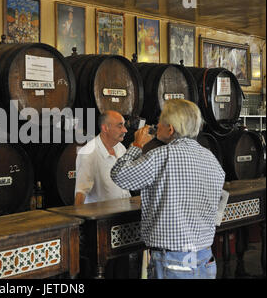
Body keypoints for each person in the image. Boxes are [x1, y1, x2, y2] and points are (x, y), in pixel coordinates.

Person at [110, 99, 225, 279]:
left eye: (160, 123)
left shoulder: (162, 156)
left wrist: (137, 146)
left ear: (170, 129)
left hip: (174, 261)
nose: (157, 127)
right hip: (205, 258)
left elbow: (119, 175)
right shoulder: (210, 157)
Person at [74, 110, 131, 205]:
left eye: (124, 125)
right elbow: (81, 192)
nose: (125, 130)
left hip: (125, 211)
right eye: (120, 126)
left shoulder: (120, 147)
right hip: (102, 217)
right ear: (105, 128)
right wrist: (79, 218)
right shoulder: (88, 152)